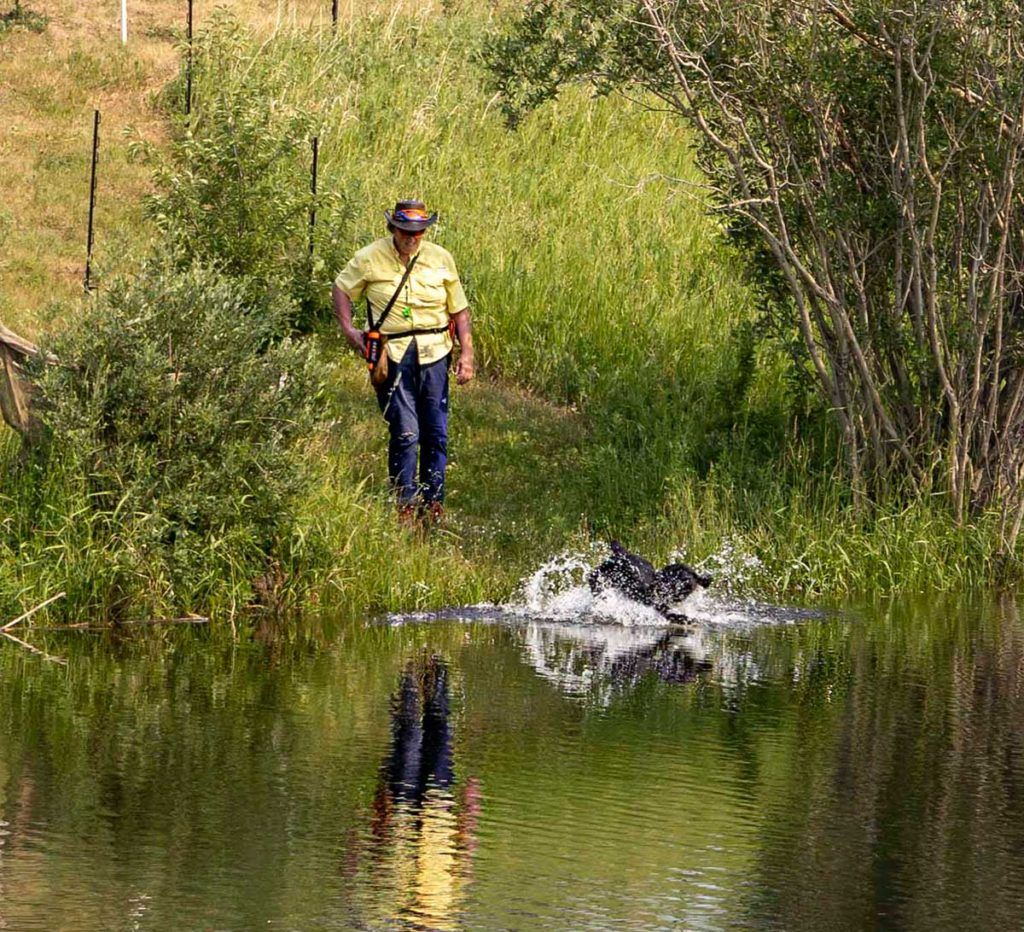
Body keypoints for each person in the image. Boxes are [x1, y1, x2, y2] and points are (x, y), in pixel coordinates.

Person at [333, 199, 474, 526]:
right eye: (405, 230)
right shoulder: (368, 257)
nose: (412, 237)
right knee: (406, 432)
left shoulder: (441, 259)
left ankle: (434, 502)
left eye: (418, 231)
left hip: (436, 351)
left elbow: (460, 311)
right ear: (392, 228)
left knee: (436, 432)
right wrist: (349, 329)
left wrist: (466, 353)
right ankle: (404, 505)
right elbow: (340, 289)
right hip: (391, 354)